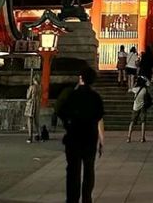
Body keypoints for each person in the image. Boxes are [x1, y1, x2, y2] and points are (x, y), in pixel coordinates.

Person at [58, 66, 105, 203]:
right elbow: (99, 116)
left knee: (73, 170)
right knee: (89, 169)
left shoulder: (72, 95)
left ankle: (72, 198)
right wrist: (101, 140)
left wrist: (68, 124)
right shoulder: (95, 97)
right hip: (90, 137)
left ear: (81, 78)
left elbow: (61, 111)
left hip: (73, 136)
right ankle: (86, 198)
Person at [127, 76, 150, 142]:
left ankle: (129, 137)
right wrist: (145, 78)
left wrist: (134, 85)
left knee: (132, 122)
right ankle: (142, 137)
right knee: (143, 122)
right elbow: (149, 84)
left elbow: (129, 89)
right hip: (143, 107)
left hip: (135, 107)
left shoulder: (135, 89)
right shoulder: (144, 90)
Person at [24, 75, 40, 143]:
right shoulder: (40, 87)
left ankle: (30, 137)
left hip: (31, 105)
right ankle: (39, 135)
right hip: (37, 104)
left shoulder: (32, 87)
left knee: (30, 121)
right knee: (36, 121)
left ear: (34, 80)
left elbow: (28, 96)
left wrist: (28, 91)